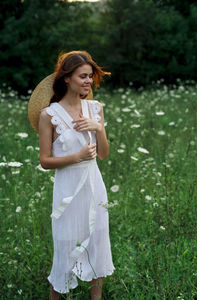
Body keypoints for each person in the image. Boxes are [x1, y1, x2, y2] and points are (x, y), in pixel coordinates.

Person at [28, 51, 115, 300]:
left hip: (94, 186)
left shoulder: (95, 109)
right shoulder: (49, 115)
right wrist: (76, 157)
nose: (88, 82)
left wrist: (99, 128)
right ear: (66, 78)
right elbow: (45, 161)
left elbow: (104, 155)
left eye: (90, 77)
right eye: (82, 77)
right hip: (67, 189)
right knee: (65, 245)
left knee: (97, 242)